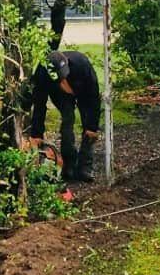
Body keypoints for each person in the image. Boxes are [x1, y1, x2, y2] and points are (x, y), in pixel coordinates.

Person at [25, 49, 102, 182]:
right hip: (58, 94)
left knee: (88, 126)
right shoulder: (42, 73)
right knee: (68, 120)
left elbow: (94, 96)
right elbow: (39, 103)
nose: (64, 82)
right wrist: (37, 133)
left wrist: (92, 126)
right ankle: (69, 164)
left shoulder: (82, 65)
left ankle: (85, 167)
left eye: (64, 76)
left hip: (83, 89)